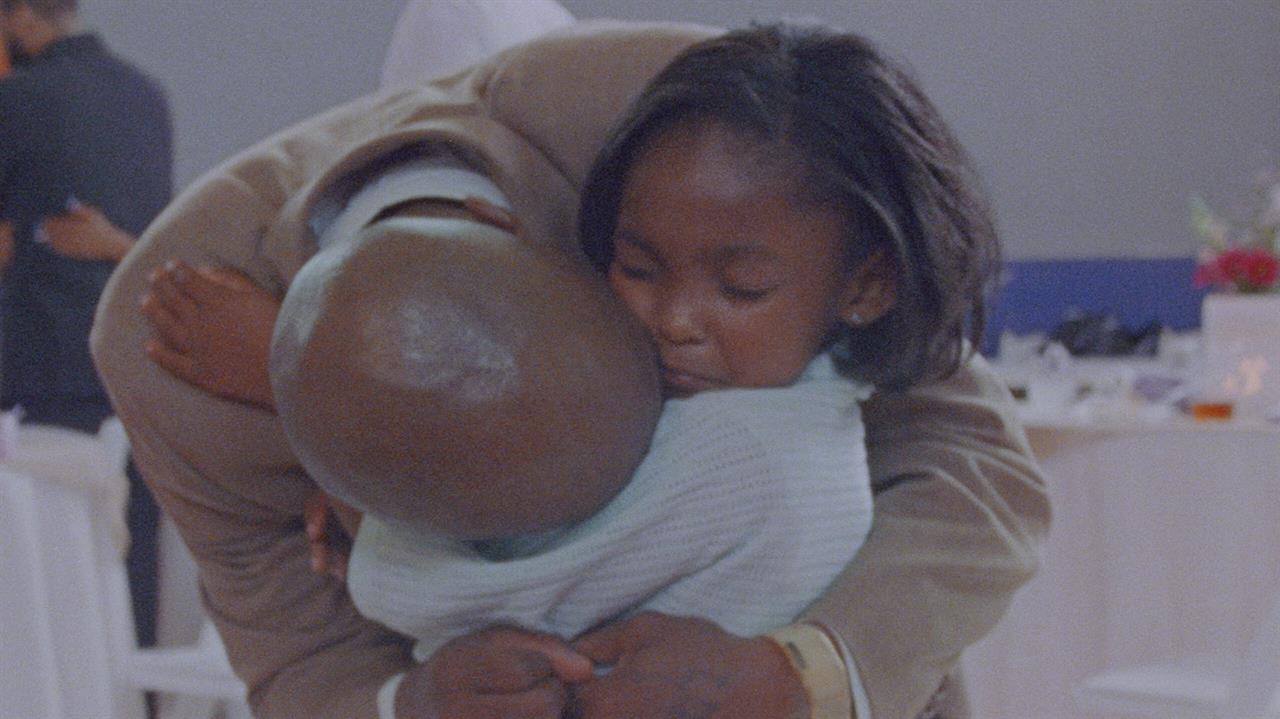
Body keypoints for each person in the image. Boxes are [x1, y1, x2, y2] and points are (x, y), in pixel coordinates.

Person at [92, 20, 1049, 719]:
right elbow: (299, 670)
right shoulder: (181, 388)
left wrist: (795, 675)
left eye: (740, 288)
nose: (676, 322)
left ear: (536, 248)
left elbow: (983, 472)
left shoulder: (721, 156)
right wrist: (407, 699)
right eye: (640, 273)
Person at [0, 0, 171, 648]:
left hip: (45, 369)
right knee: (132, 559)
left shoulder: (18, 100)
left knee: (46, 562)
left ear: (18, 15)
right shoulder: (147, 96)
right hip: (137, 366)